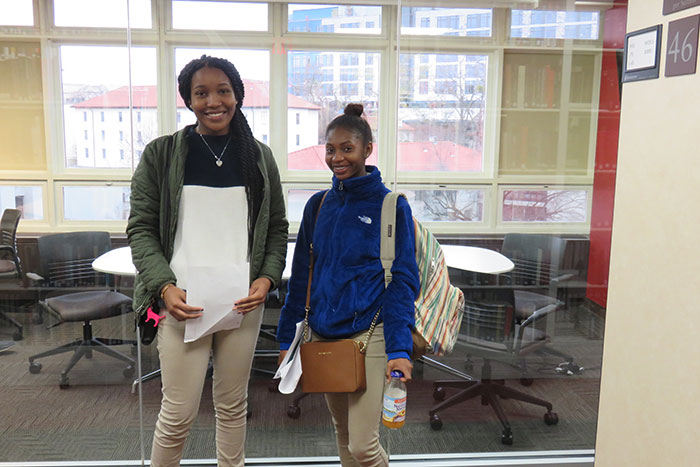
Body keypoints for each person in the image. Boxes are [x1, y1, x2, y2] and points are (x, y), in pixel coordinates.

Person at [127, 55, 288, 467]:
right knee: (178, 413)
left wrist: (268, 278)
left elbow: (276, 228)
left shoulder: (259, 157)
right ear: (188, 99)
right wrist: (163, 287)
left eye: (223, 91)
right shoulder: (162, 154)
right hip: (179, 303)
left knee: (233, 408)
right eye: (201, 93)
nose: (213, 101)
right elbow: (142, 228)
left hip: (242, 304)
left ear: (237, 96)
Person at [277, 103, 420, 467]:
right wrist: (285, 341)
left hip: (370, 335)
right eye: (330, 149)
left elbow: (403, 282)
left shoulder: (391, 207)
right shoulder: (318, 204)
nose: (336, 157)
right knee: (342, 435)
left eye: (347, 148)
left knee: (362, 446)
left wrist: (399, 349)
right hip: (324, 336)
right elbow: (302, 275)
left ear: (367, 149)